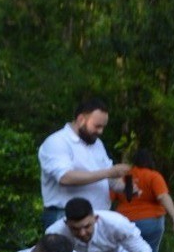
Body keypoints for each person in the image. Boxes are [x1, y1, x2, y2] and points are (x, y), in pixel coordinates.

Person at [37, 97, 131, 229]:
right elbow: (65, 177)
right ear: (81, 119)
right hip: (66, 216)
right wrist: (108, 172)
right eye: (97, 126)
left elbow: (108, 180)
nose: (100, 131)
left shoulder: (97, 144)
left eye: (103, 127)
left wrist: (126, 188)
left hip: (98, 217)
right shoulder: (57, 142)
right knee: (65, 250)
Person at [109, 148, 174, 252]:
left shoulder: (123, 177)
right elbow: (163, 196)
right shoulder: (153, 176)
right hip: (151, 221)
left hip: (126, 221)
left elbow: (109, 198)